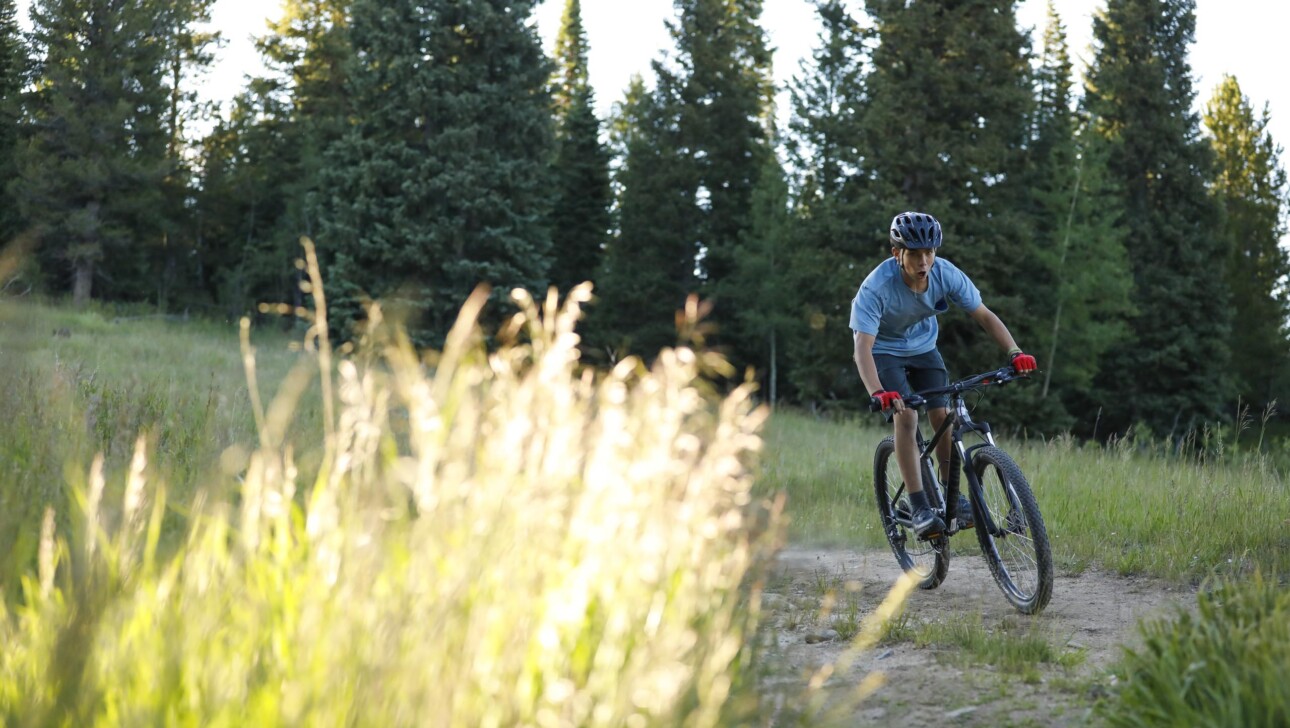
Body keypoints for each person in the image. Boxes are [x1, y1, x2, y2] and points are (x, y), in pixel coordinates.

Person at [850, 211, 1036, 538]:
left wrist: (1015, 353)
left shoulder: (945, 273)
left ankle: (952, 496)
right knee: (906, 418)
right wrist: (877, 391)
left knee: (943, 414)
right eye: (915, 254)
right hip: (884, 352)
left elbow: (984, 315)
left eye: (929, 252)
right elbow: (862, 348)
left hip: (924, 350)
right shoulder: (875, 288)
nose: (924, 261)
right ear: (897, 254)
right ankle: (919, 504)